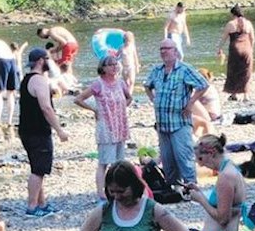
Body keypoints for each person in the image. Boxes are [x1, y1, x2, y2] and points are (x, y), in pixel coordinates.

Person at [144, 39, 209, 187]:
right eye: (161, 49)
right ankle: (173, 189)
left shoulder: (184, 69)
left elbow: (203, 84)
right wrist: (153, 99)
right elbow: (147, 85)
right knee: (167, 161)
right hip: (162, 123)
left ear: (175, 51)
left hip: (179, 122)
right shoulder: (157, 70)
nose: (163, 51)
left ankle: (191, 189)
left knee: (184, 157)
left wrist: (191, 103)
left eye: (167, 48)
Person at [19, 47, 70, 217]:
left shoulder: (27, 79)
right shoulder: (39, 80)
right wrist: (59, 130)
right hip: (37, 131)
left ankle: (42, 203)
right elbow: (46, 108)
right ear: (41, 61)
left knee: (37, 167)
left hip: (27, 129)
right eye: (48, 59)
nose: (50, 62)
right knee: (38, 170)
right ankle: (32, 207)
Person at [75, 52, 132, 199]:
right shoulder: (98, 84)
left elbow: (129, 97)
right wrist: (94, 109)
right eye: (111, 64)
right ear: (103, 68)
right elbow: (79, 99)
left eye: (115, 64)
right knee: (104, 161)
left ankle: (118, 189)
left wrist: (120, 109)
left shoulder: (120, 83)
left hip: (120, 125)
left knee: (120, 161)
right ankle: (101, 193)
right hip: (106, 127)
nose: (114, 67)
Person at [220, 6, 255, 101]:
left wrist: (219, 48)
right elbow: (252, 38)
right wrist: (251, 49)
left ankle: (234, 94)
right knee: (246, 71)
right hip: (246, 48)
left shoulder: (230, 24)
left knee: (233, 70)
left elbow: (224, 38)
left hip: (235, 49)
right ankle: (246, 95)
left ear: (233, 14)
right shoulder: (248, 23)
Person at [39, 25, 80, 90]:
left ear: (42, 31)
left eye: (41, 36)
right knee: (69, 63)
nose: (43, 38)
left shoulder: (51, 32)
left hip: (69, 45)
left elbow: (64, 42)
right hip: (75, 44)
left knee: (64, 63)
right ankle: (71, 80)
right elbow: (62, 43)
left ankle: (67, 83)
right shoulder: (57, 29)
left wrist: (54, 50)